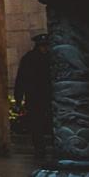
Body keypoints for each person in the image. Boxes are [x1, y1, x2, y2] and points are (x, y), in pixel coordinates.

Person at [14, 33, 53, 163]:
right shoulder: (35, 58)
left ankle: (41, 149)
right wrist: (18, 99)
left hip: (40, 97)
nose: (45, 48)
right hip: (40, 97)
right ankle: (41, 149)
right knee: (39, 125)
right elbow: (21, 79)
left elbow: (20, 80)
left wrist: (19, 98)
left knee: (39, 125)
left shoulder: (31, 58)